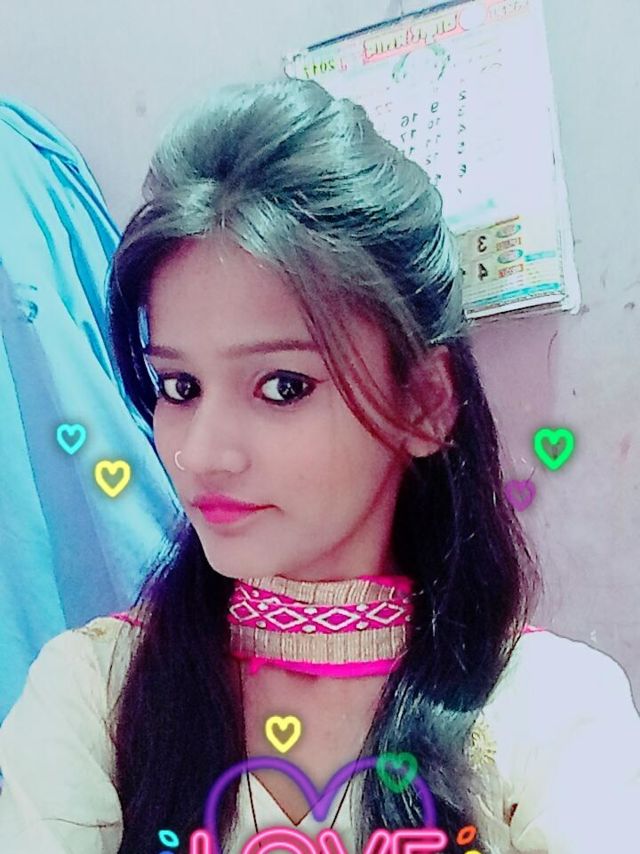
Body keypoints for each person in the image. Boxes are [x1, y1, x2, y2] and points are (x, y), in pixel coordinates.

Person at [0, 78, 639, 854]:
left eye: (282, 386)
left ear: (425, 403)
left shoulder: (550, 712)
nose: (201, 453)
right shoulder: (93, 696)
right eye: (179, 387)